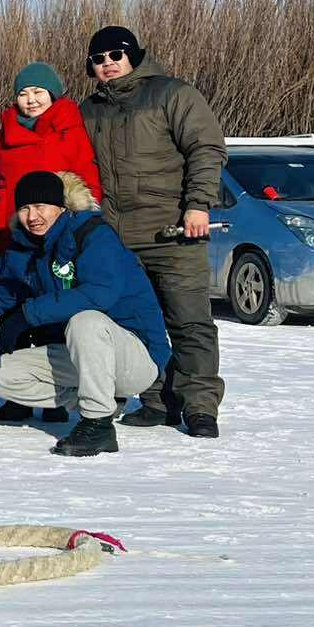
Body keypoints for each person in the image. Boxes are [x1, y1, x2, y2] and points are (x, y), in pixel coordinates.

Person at [0, 171, 171, 458]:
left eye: (41, 206)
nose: (32, 216)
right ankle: (102, 397)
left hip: (136, 357)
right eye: (24, 208)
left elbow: (99, 294)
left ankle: (98, 424)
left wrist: (27, 314)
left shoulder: (93, 235)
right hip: (85, 357)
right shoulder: (24, 248)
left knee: (86, 321)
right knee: (0, 375)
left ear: (61, 207)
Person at [79, 25, 227, 439]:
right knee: (136, 323)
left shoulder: (172, 94)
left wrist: (198, 204)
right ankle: (158, 400)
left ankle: (200, 406)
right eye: (98, 59)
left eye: (116, 55)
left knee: (189, 321)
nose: (108, 64)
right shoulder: (88, 110)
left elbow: (207, 148)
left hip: (174, 232)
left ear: (134, 55)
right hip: (117, 238)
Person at [0, 62, 103, 260]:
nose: (31, 100)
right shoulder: (5, 133)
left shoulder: (71, 130)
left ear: (52, 94)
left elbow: (89, 181)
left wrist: (83, 225)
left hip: (56, 230)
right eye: (23, 94)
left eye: (38, 92)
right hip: (6, 231)